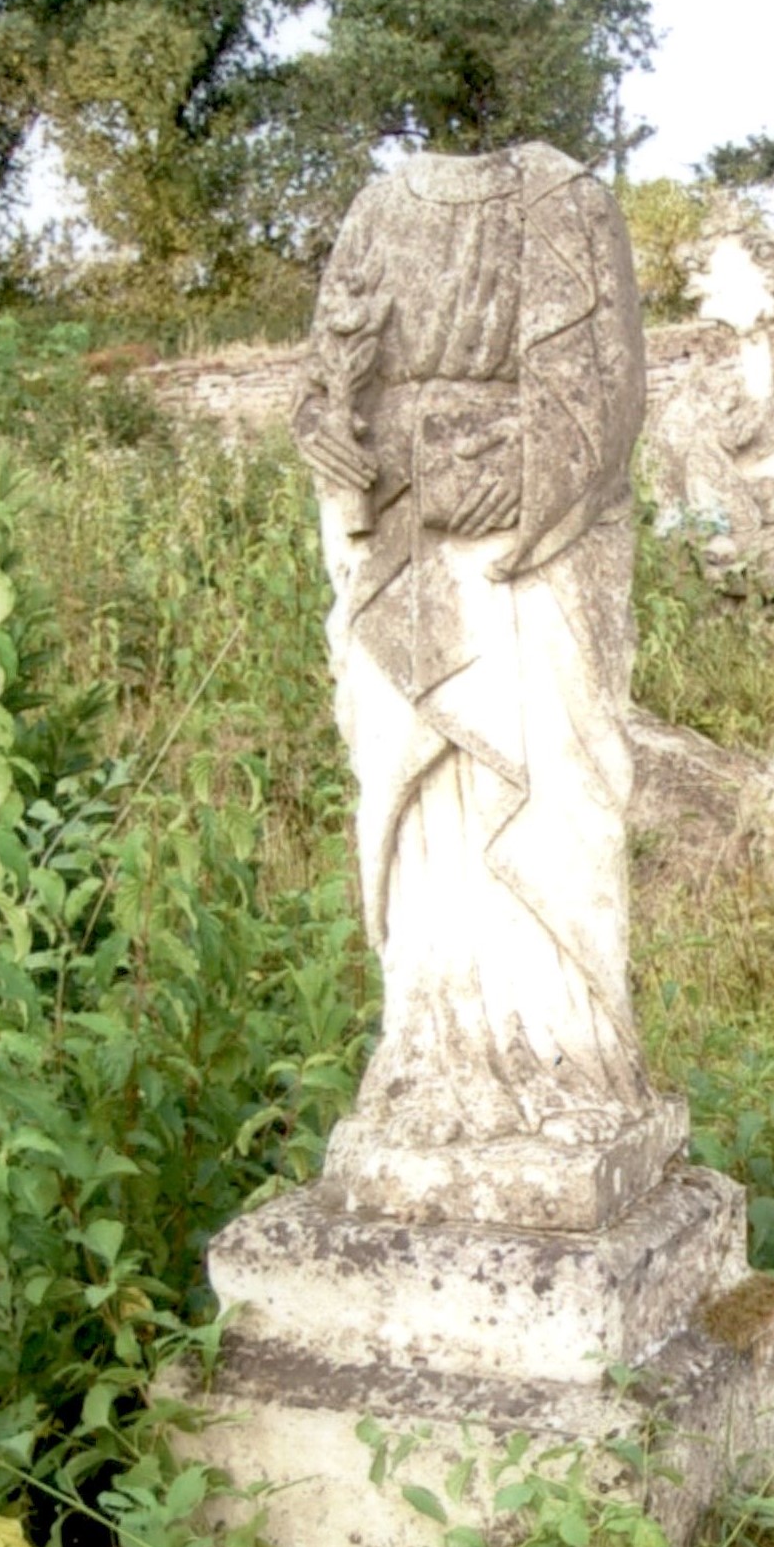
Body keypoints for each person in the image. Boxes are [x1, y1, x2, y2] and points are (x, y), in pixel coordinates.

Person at [293, 143, 657, 1211]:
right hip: (402, 553)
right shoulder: (375, 208)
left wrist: (521, 475)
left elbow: (605, 392)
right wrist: (333, 436)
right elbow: (320, 388)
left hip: (524, 567)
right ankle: (433, 1055)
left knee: (551, 797)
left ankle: (568, 1060)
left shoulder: (567, 202)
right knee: (419, 811)